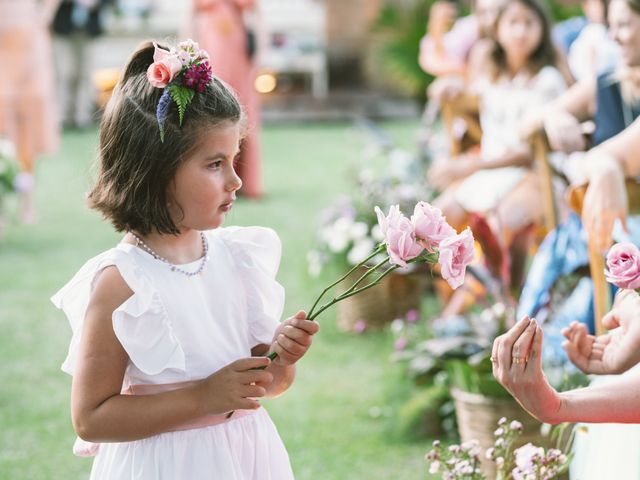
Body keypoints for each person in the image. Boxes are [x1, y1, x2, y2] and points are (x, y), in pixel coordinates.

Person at [51, 40, 319, 479]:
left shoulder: (237, 259)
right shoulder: (124, 283)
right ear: (154, 170)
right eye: (214, 164)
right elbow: (91, 417)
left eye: (234, 160)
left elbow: (264, 386)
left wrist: (280, 359)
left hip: (241, 459)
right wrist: (202, 398)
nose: (235, 180)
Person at [190, 0, 263, 198]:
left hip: (238, 48)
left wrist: (259, 51)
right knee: (214, 107)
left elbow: (257, 14)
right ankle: (212, 178)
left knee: (244, 107)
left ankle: (247, 180)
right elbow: (190, 16)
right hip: (211, 46)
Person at [0, 0, 60, 223]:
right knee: (3, 128)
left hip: (28, 42)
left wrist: (45, 14)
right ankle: (2, 206)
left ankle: (27, 201)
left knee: (27, 128)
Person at [52, 0, 113, 129]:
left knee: (86, 74)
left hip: (89, 29)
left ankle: (82, 116)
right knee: (64, 74)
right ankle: (62, 116)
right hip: (64, 28)